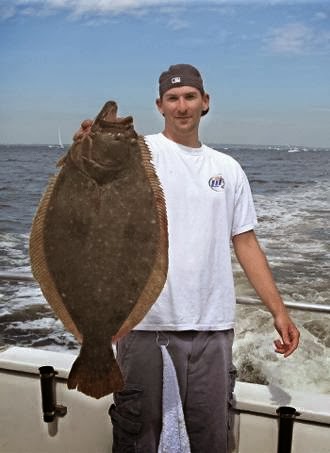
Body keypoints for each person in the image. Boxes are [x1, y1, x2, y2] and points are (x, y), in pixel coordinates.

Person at [74, 64, 300, 453]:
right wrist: (84, 148)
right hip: (144, 325)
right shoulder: (135, 155)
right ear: (160, 106)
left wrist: (279, 311)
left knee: (210, 438)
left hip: (213, 329)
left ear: (205, 102)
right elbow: (91, 200)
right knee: (139, 439)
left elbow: (245, 242)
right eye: (173, 98)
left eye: (190, 97)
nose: (182, 106)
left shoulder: (227, 169)